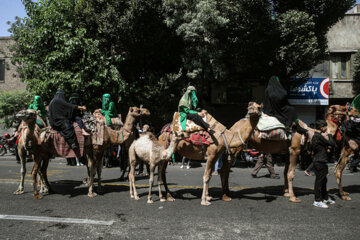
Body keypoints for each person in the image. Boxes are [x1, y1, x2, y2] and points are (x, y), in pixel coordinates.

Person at [311, 120, 335, 208]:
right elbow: (331, 143)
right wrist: (329, 134)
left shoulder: (317, 136)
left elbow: (317, 147)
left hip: (321, 160)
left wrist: (324, 148)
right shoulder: (318, 136)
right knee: (319, 181)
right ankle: (317, 200)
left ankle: (325, 198)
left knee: (324, 180)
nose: (326, 128)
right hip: (320, 161)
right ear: (322, 127)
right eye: (325, 127)